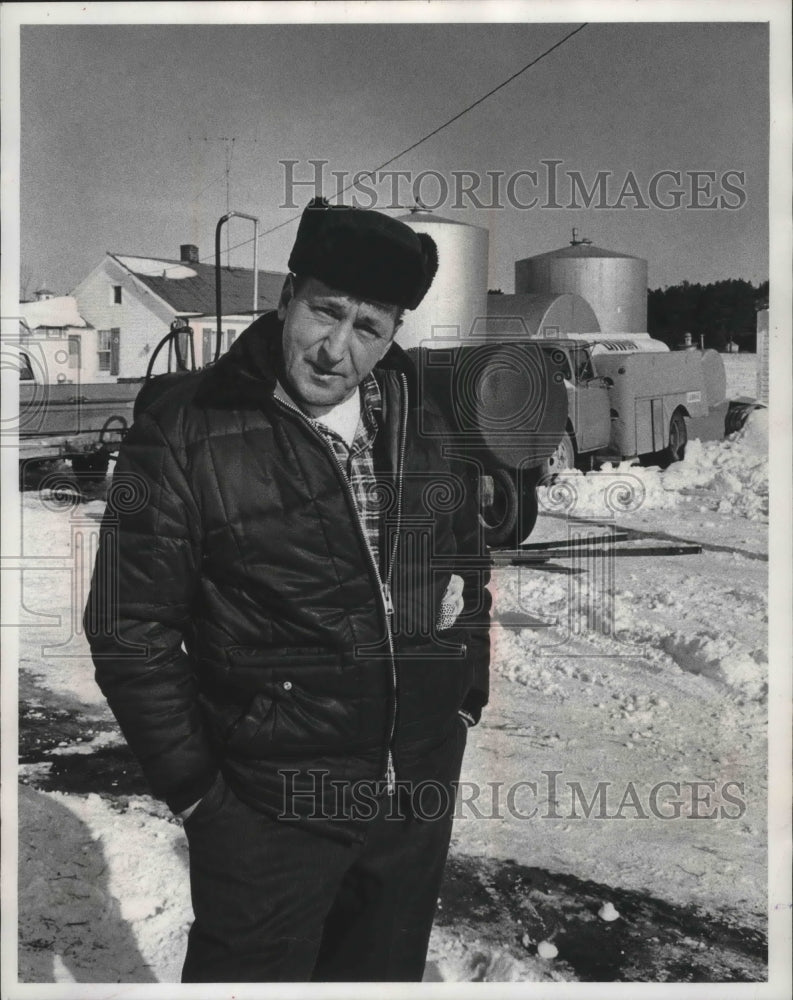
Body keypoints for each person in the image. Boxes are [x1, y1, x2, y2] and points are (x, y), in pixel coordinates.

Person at [84, 197, 491, 983]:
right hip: (270, 813)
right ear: (286, 297)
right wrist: (201, 797)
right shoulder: (186, 428)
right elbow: (129, 629)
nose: (336, 349)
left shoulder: (423, 420)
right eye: (325, 313)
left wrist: (460, 698)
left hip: (410, 800)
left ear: (392, 335)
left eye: (367, 328)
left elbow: (466, 569)